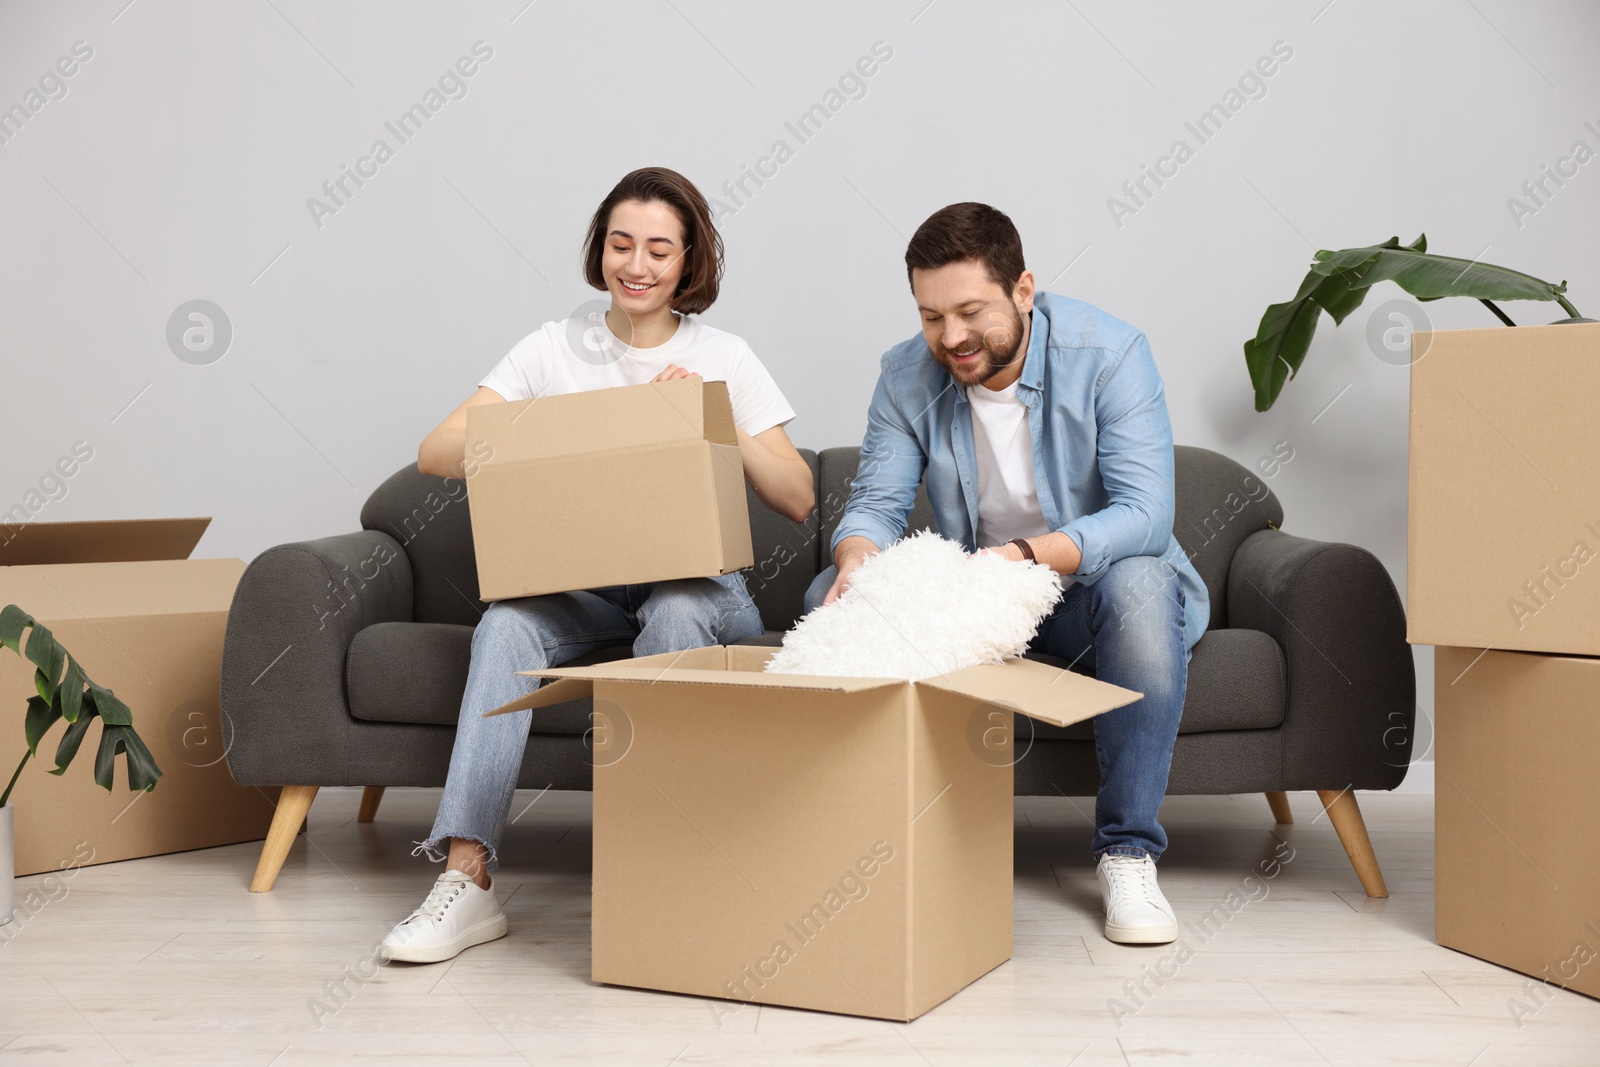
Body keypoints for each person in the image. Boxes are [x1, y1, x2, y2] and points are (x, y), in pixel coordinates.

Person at [381, 167, 814, 964]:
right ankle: (466, 879)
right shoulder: (552, 350)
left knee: (677, 612)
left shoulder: (723, 354)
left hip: (700, 593)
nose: (637, 264)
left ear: (690, 261)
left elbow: (796, 496)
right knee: (509, 623)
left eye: (659, 248)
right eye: (622, 244)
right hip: (583, 596)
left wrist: (711, 412)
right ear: (600, 251)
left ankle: (656, 864)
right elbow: (435, 451)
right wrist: (549, 423)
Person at [805, 202, 1208, 945]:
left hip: (1084, 592)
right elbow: (875, 502)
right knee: (826, 600)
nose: (951, 338)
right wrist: (857, 557)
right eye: (931, 317)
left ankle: (1127, 853)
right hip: (976, 598)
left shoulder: (1110, 353)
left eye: (970, 312)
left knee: (1144, 588)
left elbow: (1147, 513)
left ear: (1023, 289)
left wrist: (1026, 555)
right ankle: (849, 842)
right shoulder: (904, 375)